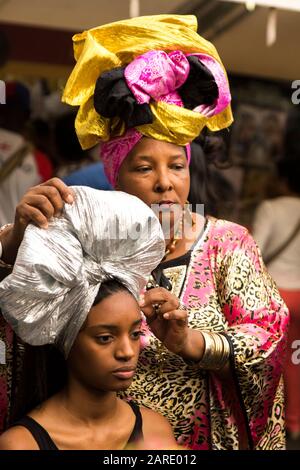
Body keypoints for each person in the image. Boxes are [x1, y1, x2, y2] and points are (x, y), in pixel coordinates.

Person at [0, 15, 289, 450]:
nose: (164, 183)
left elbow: (269, 338)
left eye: (176, 165)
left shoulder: (226, 245)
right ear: (115, 174)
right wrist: (15, 239)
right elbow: (24, 318)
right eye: (143, 167)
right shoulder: (86, 241)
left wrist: (191, 342)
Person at [0, 187, 177, 450]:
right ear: (65, 339)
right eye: (105, 338)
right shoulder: (22, 445)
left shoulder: (155, 432)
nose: (127, 352)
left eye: (135, 333)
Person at [252, 157, 300, 442]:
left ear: (282, 179)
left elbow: (254, 252)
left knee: (268, 361)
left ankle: (265, 422)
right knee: (296, 358)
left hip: (276, 295)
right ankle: (295, 422)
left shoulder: (271, 208)